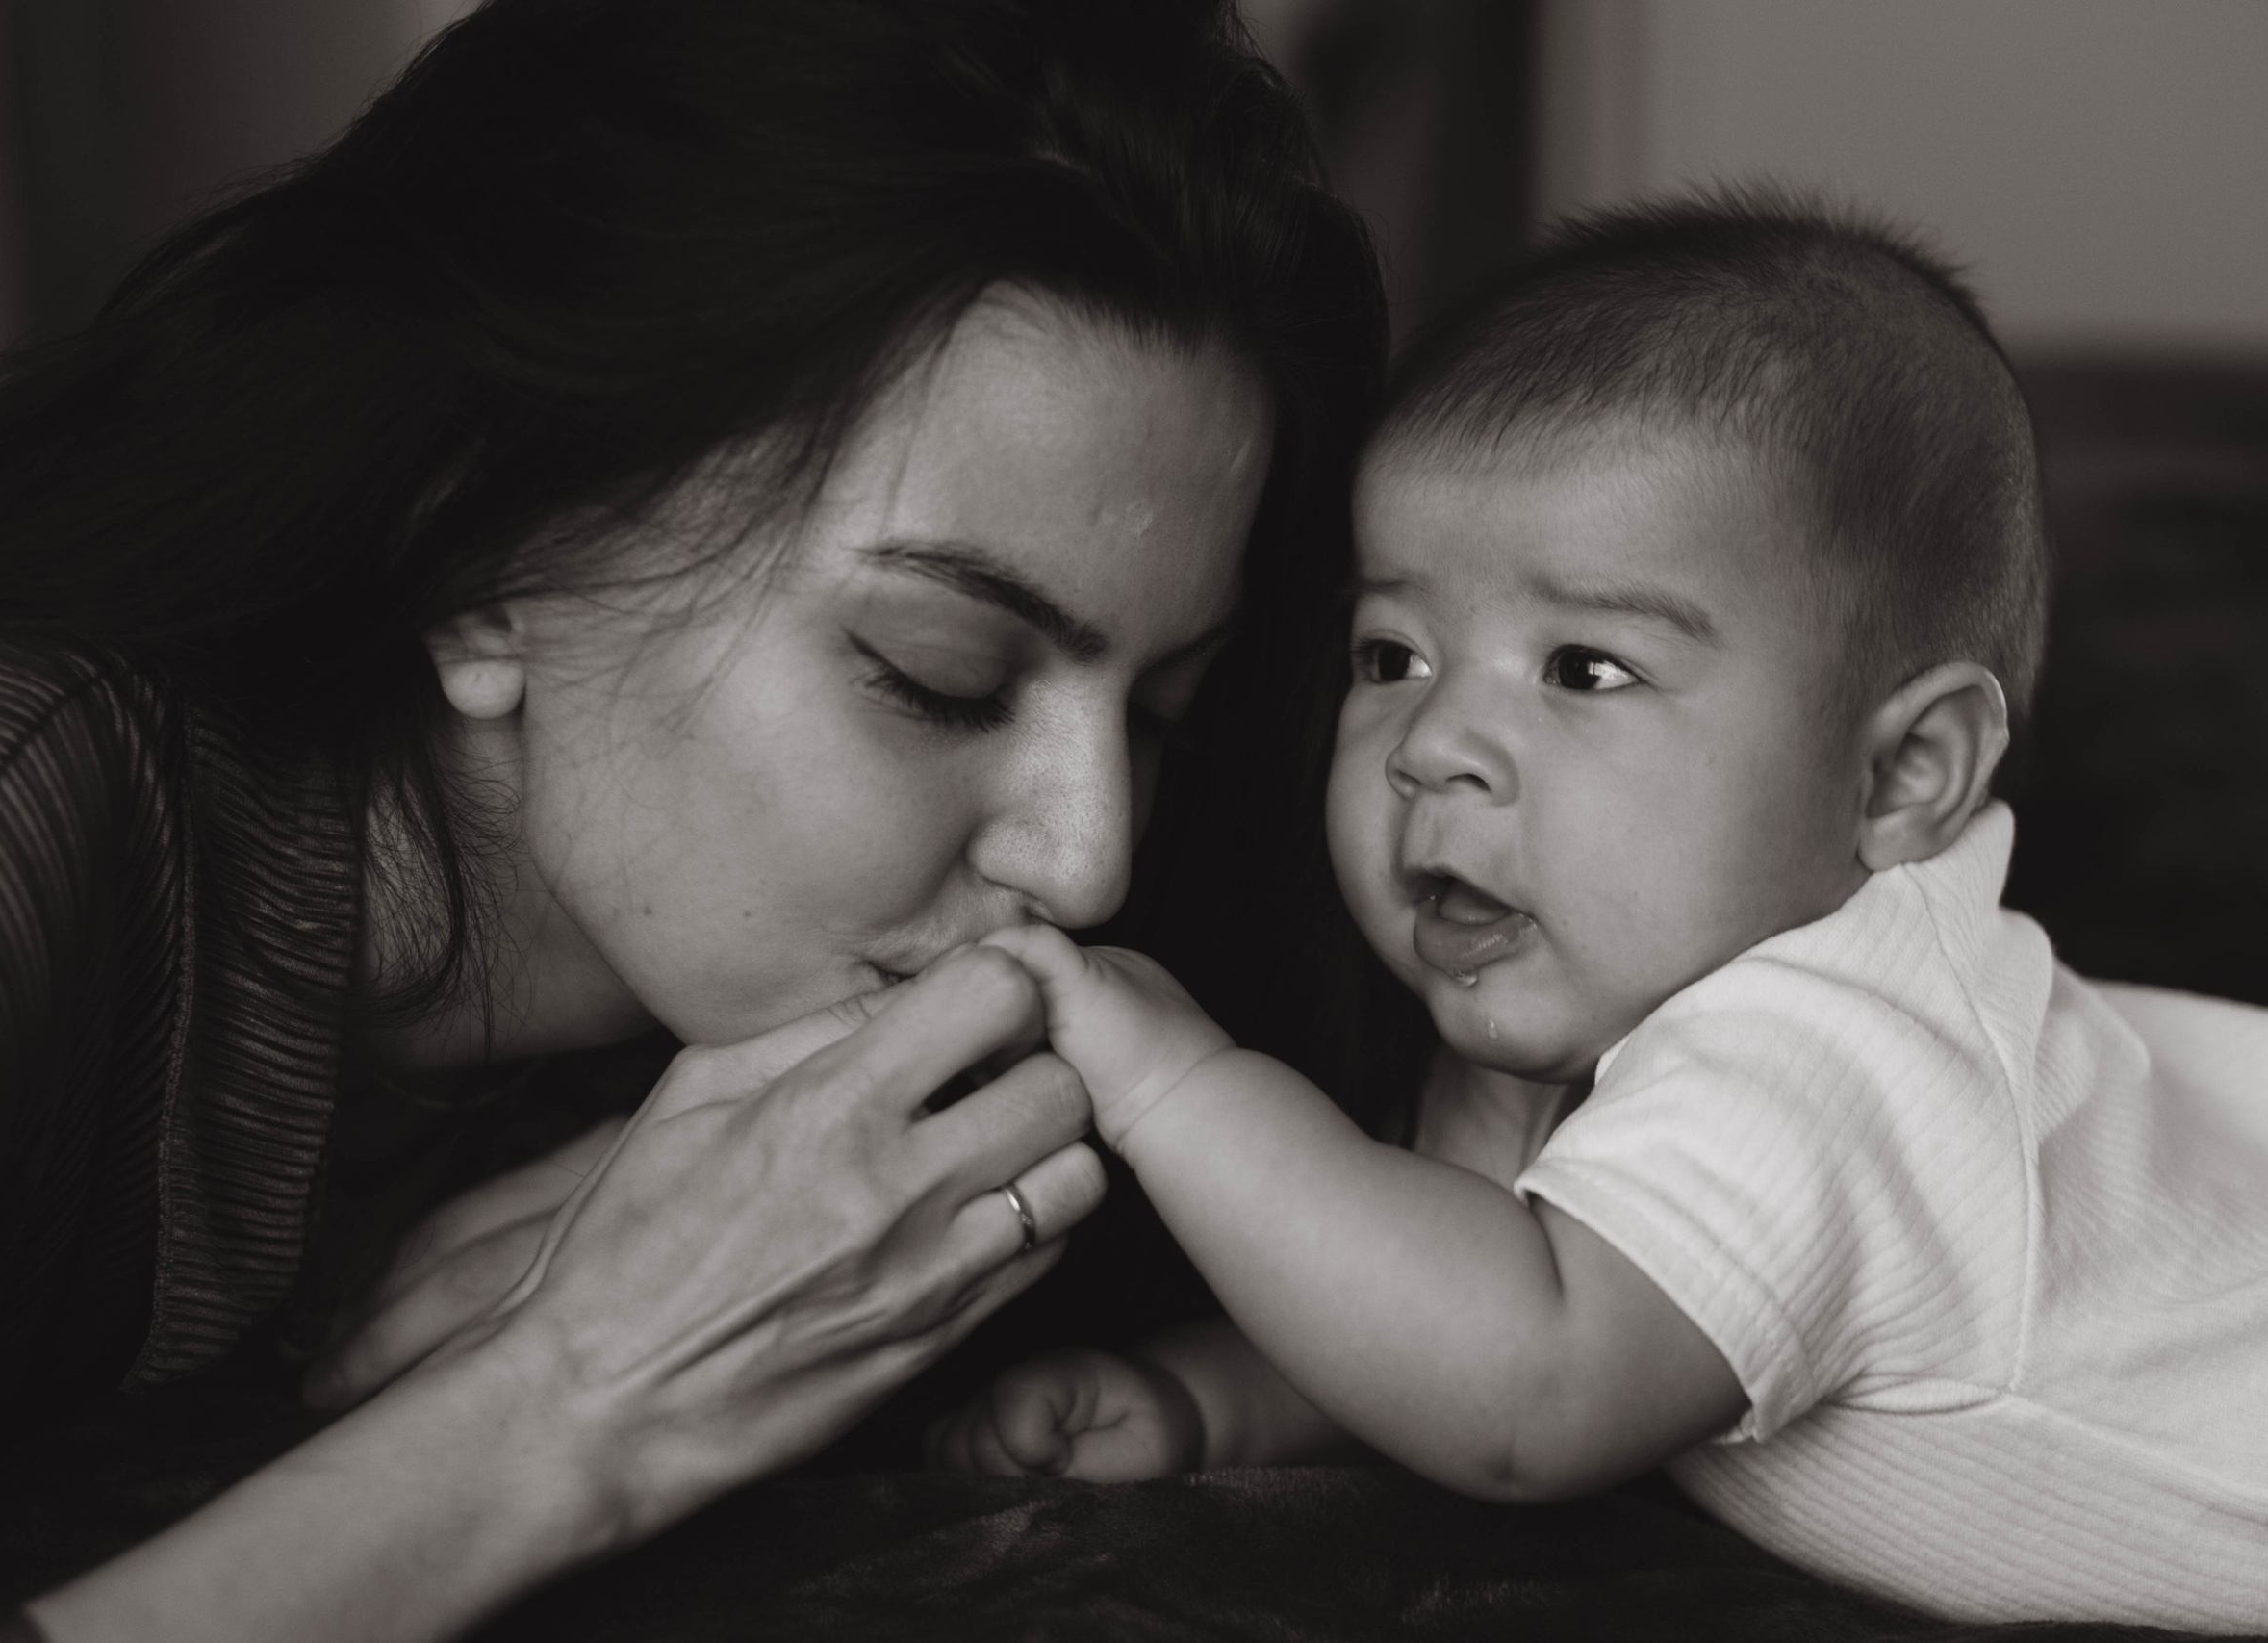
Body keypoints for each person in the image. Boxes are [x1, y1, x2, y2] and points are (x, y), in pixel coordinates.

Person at [0, 3, 1387, 1638]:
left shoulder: (683, 1013)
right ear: (492, 551)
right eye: (940, 674)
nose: (1086, 857)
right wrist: (579, 1404)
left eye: (1159, 715)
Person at [933, 195, 2268, 1632]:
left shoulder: (1835, 1060)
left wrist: (1174, 1080)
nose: (1434, 741)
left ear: (1899, 775)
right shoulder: (1572, 1023)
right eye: (1391, 652)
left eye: (1585, 669)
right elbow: (1445, 1283)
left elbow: (1529, 1380)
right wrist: (1206, 1406)